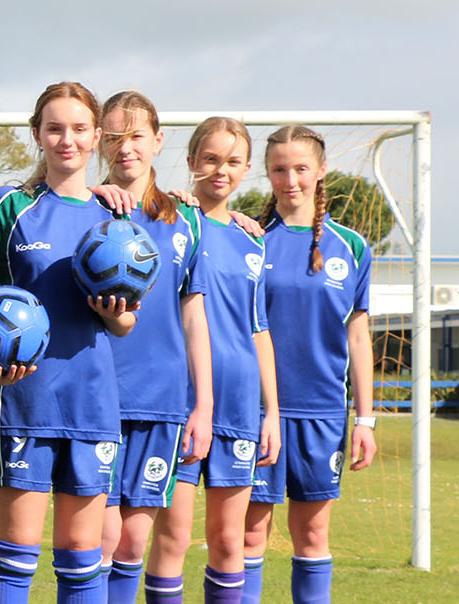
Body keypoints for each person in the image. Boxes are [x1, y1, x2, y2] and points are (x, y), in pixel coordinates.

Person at [0, 81, 138, 603]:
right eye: (54, 128)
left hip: (92, 402)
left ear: (97, 137)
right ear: (37, 135)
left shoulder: (115, 217)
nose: (65, 139)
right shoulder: (6, 209)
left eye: (77, 129)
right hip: (23, 401)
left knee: (81, 560)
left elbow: (126, 325)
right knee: (15, 557)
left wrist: (111, 314)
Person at [89, 92, 214, 604]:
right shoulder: (84, 209)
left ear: (158, 141)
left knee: (135, 539)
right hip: (96, 397)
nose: (126, 148)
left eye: (137, 136)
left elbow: (194, 315)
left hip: (161, 399)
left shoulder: (185, 220)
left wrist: (202, 404)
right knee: (97, 538)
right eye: (114, 137)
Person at [244, 125, 377, 604]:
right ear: (267, 173)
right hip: (257, 413)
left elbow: (358, 337)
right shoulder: (251, 241)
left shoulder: (352, 247)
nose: (290, 179)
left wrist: (364, 419)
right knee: (249, 537)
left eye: (301, 168)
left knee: (313, 536)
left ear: (322, 171)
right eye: (279, 169)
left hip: (323, 414)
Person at [160, 116, 283, 603]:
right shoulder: (169, 221)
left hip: (239, 405)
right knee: (172, 540)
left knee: (230, 541)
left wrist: (270, 411)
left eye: (232, 162)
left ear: (247, 168)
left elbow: (259, 329)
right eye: (210, 159)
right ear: (191, 162)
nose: (220, 170)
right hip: (184, 402)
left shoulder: (252, 238)